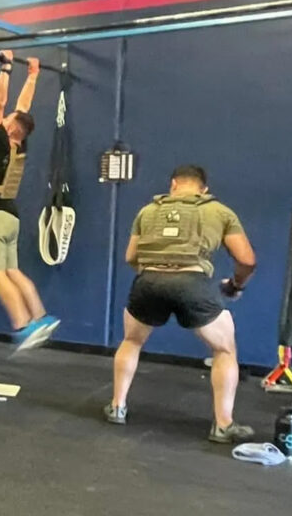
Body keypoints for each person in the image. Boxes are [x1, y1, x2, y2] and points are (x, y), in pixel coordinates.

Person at [107, 165, 257, 444]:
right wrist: (235, 286)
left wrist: (157, 272)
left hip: (148, 281)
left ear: (173, 184)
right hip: (193, 283)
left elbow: (131, 256)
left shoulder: (148, 211)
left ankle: (117, 406)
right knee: (224, 349)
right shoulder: (219, 211)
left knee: (131, 341)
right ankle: (223, 425)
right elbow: (247, 261)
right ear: (204, 189)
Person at [0, 49, 59, 351]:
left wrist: (6, 67)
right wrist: (33, 75)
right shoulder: (19, 145)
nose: (2, 118)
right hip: (10, 217)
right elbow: (21, 108)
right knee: (12, 271)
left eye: (5, 120)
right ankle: (40, 316)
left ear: (8, 127)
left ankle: (23, 326)